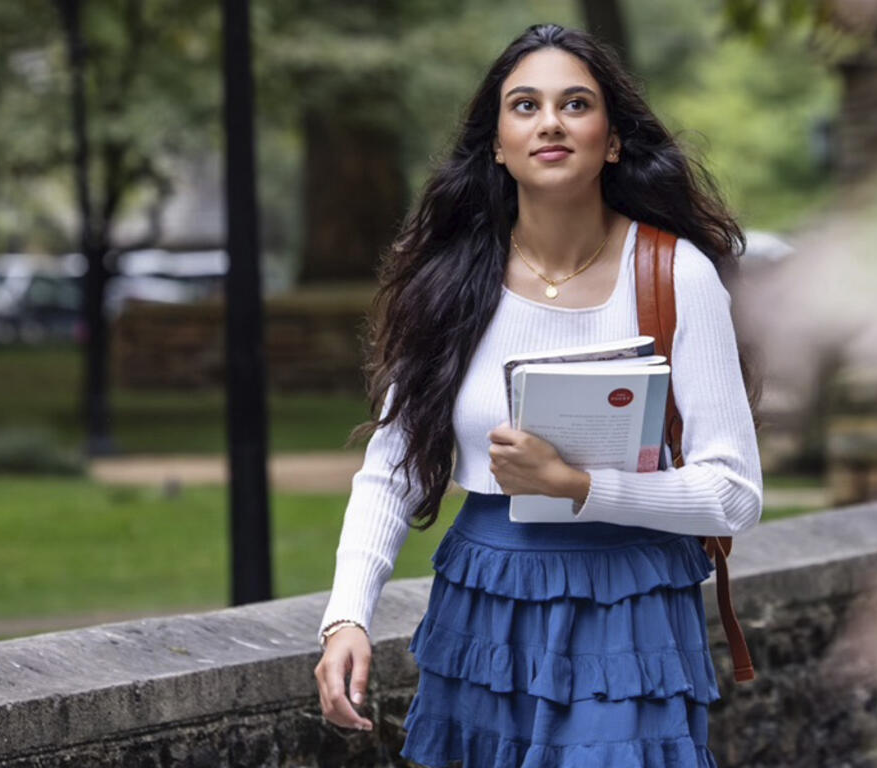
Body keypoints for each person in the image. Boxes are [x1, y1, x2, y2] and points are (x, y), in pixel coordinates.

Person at [313, 22, 763, 768]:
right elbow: (391, 469)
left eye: (575, 104)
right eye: (525, 105)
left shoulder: (675, 275)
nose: (550, 121)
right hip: (484, 604)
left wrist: (577, 485)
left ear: (612, 140)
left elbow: (734, 494)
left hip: (629, 606)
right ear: (497, 143)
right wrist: (346, 617)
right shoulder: (450, 283)